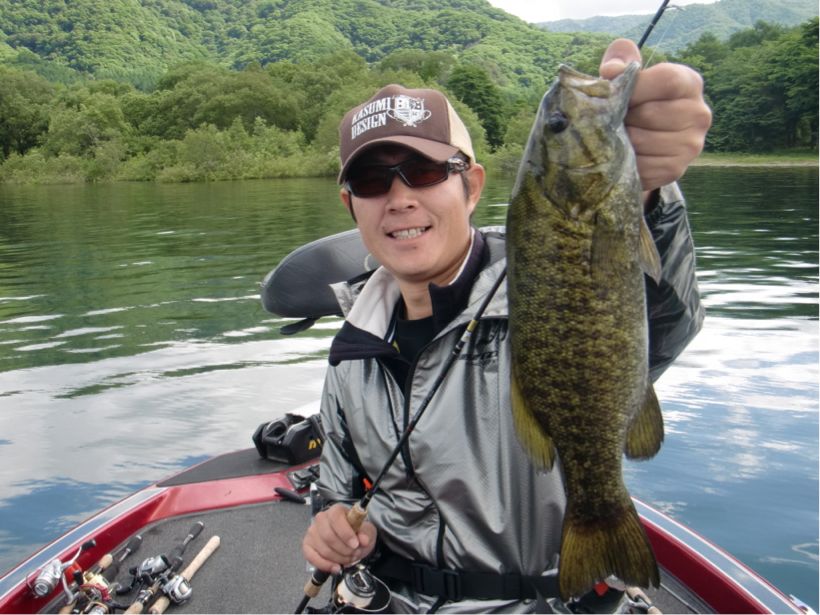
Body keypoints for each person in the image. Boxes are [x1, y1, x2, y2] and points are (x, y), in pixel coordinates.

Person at [301, 38, 711, 613]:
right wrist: (332, 522)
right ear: (351, 207)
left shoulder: (536, 282)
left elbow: (668, 319)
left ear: (471, 186)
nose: (399, 198)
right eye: (372, 181)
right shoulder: (354, 348)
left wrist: (650, 192)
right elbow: (337, 488)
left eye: (423, 170)